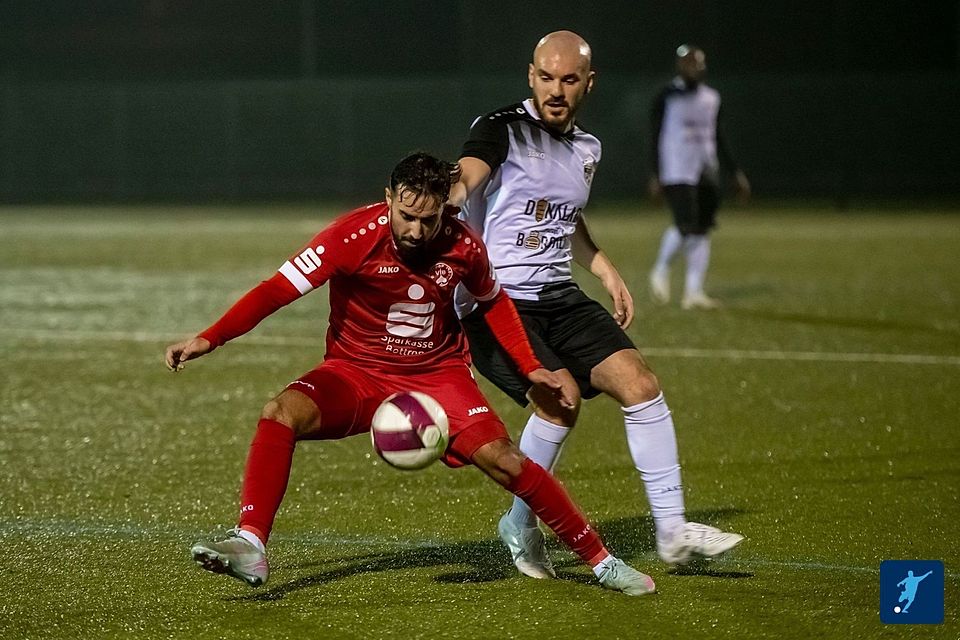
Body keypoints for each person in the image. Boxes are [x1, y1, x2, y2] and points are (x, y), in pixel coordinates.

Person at [164, 152, 655, 596]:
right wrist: (213, 336)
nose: (417, 231)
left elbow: (494, 303)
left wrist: (530, 367)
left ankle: (602, 561)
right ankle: (250, 543)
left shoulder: (463, 244)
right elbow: (277, 290)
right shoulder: (350, 236)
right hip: (355, 372)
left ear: (446, 206)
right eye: (407, 216)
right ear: (388, 199)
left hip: (437, 377)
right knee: (280, 412)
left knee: (504, 460)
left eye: (428, 218)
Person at [448, 31, 743, 580]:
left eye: (568, 79)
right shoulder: (500, 128)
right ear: (530, 76)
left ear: (588, 83)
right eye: (546, 77)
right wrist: (448, 196)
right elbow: (469, 176)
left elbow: (565, 214)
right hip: (495, 302)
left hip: (559, 295)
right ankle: (521, 520)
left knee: (641, 384)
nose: (556, 90)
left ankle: (673, 531)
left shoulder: (588, 148)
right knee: (560, 399)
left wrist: (603, 265)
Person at [648, 44, 751, 310]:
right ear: (679, 67)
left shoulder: (711, 99)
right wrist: (655, 173)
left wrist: (734, 172)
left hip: (706, 170)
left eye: (697, 64)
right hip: (676, 169)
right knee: (685, 224)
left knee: (702, 229)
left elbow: (718, 137)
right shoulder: (667, 96)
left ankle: (693, 292)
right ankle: (660, 269)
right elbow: (655, 135)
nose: (694, 69)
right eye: (688, 64)